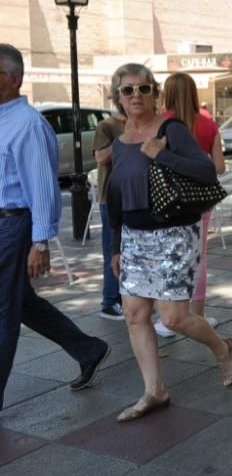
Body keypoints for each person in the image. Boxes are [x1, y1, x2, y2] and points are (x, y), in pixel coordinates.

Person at [106, 63, 232, 422]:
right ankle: (155, 390)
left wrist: (160, 154)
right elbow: (115, 196)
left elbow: (208, 171)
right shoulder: (119, 142)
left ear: (155, 94)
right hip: (134, 236)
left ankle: (222, 347)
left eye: (143, 89)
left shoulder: (171, 130)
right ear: (117, 96)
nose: (136, 95)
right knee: (135, 315)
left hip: (174, 232)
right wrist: (116, 245)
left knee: (175, 317)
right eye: (128, 90)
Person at [0, 43, 111, 408]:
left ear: (14, 79)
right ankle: (88, 349)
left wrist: (41, 242)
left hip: (13, 226)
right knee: (21, 303)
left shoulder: (28, 124)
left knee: (5, 312)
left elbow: (43, 187)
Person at [159, 72, 226, 337]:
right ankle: (197, 315)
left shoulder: (159, 124)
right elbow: (219, 166)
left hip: (166, 202)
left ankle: (169, 316)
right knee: (199, 258)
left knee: (165, 256)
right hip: (199, 202)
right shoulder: (208, 125)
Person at [93, 106, 126, 320]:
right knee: (112, 250)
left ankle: (124, 296)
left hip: (135, 198)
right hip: (111, 198)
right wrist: (127, 137)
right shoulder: (106, 126)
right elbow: (101, 158)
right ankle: (110, 300)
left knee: (128, 250)